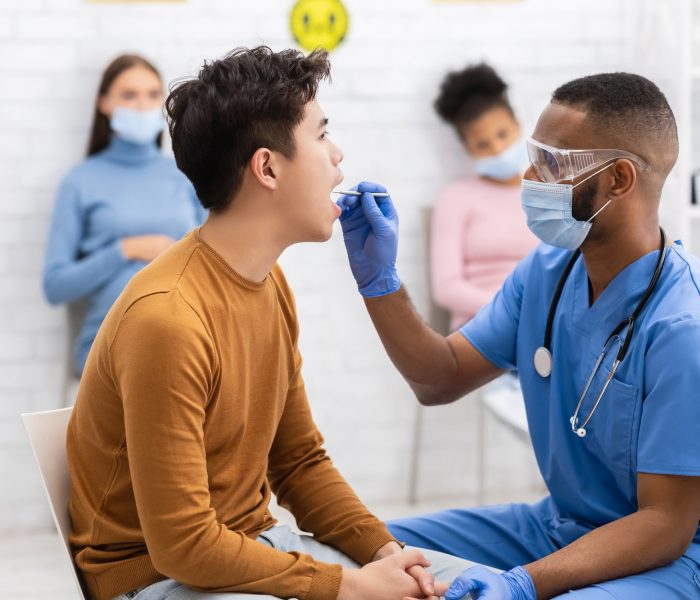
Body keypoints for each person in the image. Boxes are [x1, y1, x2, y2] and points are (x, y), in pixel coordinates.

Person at [67, 47, 475, 600]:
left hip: (255, 546)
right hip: (157, 580)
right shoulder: (167, 318)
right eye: (321, 135)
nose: (338, 155)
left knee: (464, 589)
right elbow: (183, 545)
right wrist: (347, 587)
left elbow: (300, 463)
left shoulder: (268, 283)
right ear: (267, 167)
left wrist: (385, 554)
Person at [337, 72, 700, 598]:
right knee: (372, 550)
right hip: (555, 528)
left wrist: (524, 583)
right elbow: (440, 378)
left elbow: (665, 523)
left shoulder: (681, 329)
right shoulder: (547, 273)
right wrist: (379, 282)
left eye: (552, 163)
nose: (529, 176)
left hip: (663, 559)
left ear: (619, 179)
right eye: (535, 154)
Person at [43, 54, 206, 377]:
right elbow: (55, 285)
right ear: (105, 103)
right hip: (109, 346)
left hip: (188, 335)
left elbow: (216, 257)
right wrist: (127, 250)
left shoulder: (186, 175)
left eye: (152, 94)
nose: (142, 105)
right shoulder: (81, 182)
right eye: (129, 95)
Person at [431, 63, 537, 330]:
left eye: (502, 134)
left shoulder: (549, 191)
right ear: (468, 148)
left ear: (518, 125)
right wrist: (513, 309)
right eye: (482, 144)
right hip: (482, 332)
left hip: (542, 328)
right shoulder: (456, 199)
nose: (498, 149)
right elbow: (446, 287)